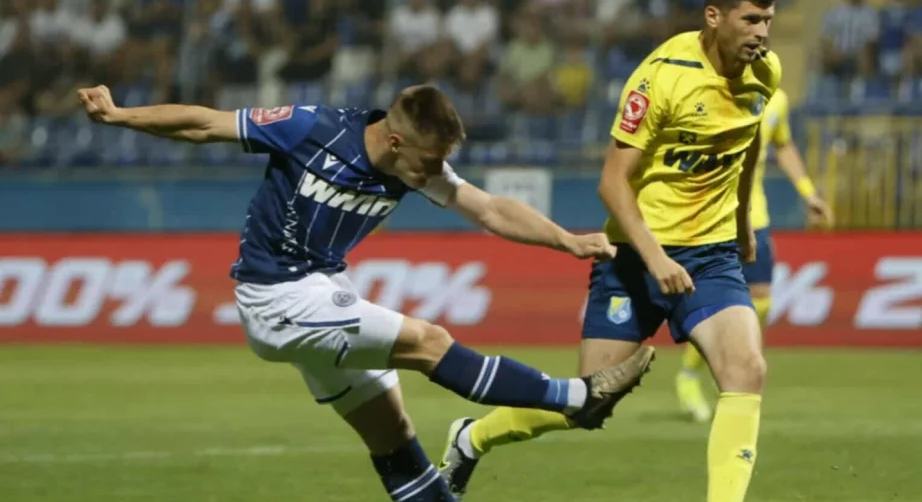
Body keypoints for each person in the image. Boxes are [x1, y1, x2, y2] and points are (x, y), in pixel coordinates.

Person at [76, 84, 655, 502]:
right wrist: (121, 115)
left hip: (322, 289)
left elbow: (488, 208)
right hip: (276, 295)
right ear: (396, 141)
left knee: (393, 436)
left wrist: (566, 240)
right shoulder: (312, 128)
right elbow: (206, 124)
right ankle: (577, 397)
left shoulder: (413, 165)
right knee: (429, 342)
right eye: (431, 160)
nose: (437, 171)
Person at [438, 0, 781, 502]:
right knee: (587, 403)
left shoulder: (765, 72)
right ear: (714, 17)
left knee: (746, 369)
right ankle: (471, 437)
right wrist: (656, 258)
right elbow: (612, 183)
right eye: (751, 20)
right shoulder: (662, 76)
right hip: (635, 257)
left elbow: (748, 141)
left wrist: (742, 224)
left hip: (711, 256)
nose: (762, 33)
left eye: (768, 21)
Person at [675, 86, 833, 422]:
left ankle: (731, 366)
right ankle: (690, 376)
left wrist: (808, 193)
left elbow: (783, 144)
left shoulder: (777, 99)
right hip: (710, 219)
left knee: (762, 299)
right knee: (712, 305)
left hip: (753, 217)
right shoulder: (712, 91)